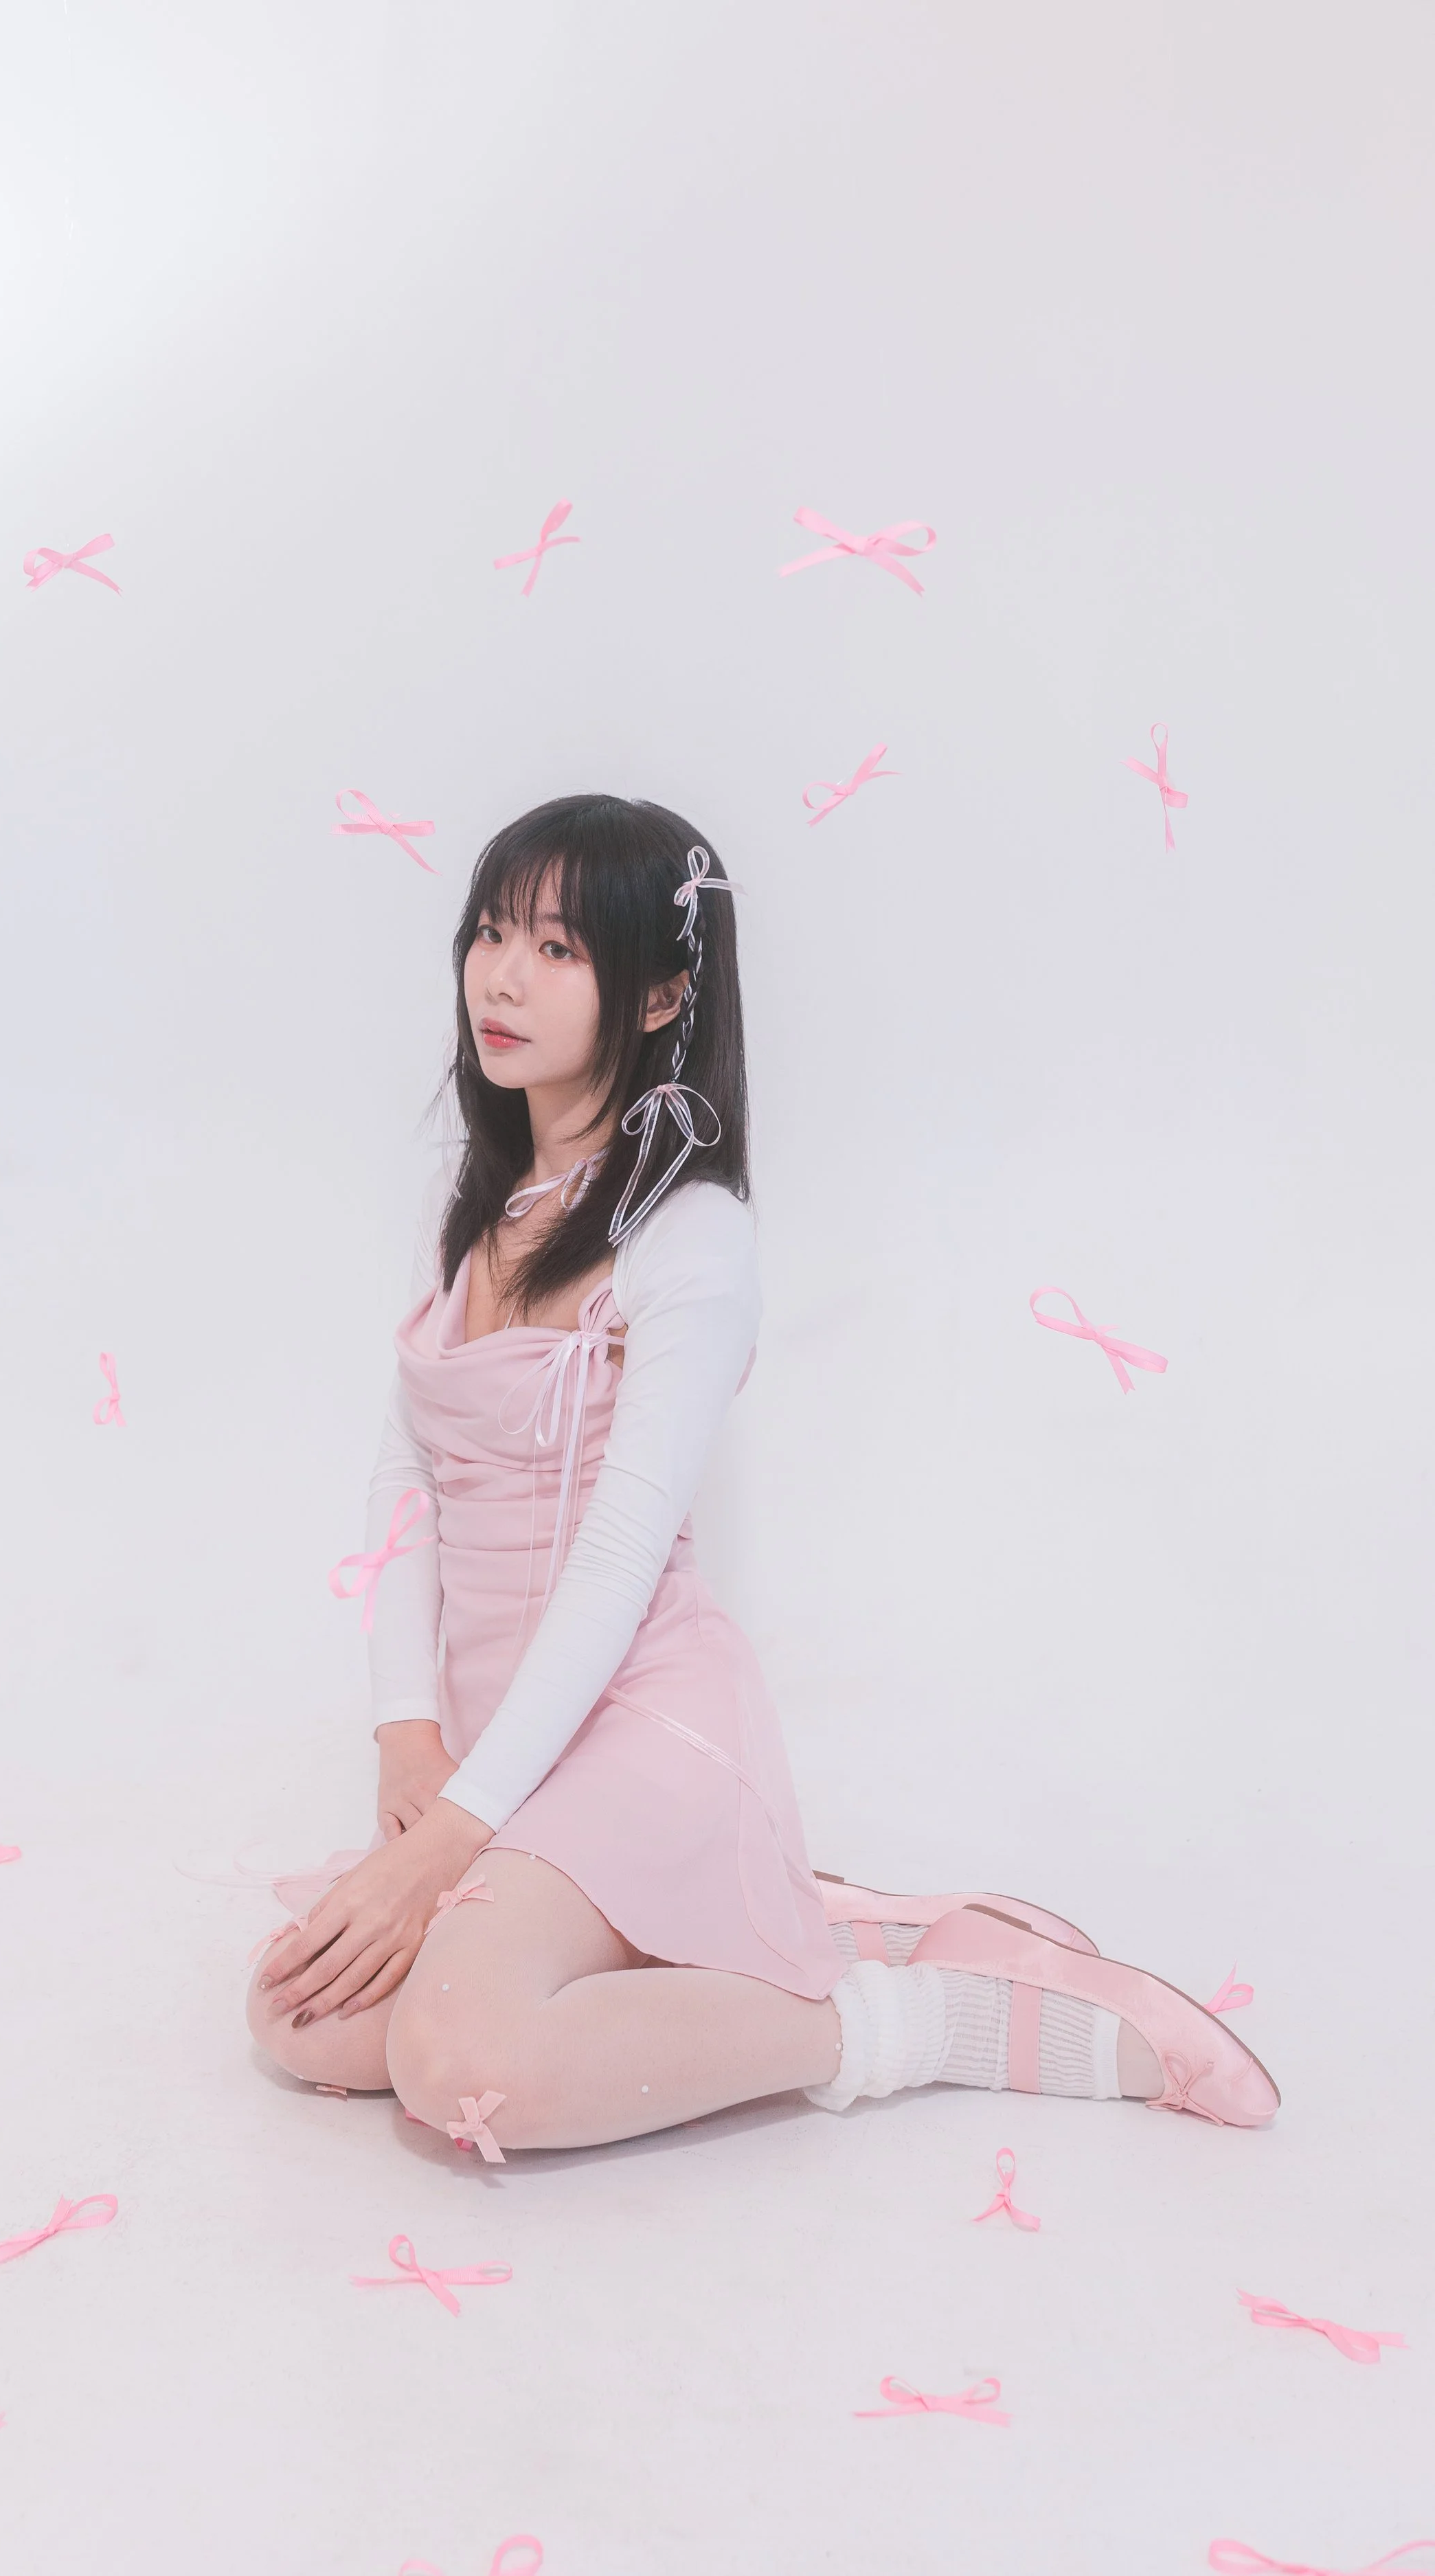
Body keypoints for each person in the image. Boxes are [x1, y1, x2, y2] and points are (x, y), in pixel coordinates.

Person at [247, 794, 1278, 2151]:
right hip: (494, 1748)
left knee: (459, 2059)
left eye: (556, 949)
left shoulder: (688, 1234)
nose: (499, 977)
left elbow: (620, 1556)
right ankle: (797, 1918)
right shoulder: (477, 1211)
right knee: (300, 2017)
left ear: (661, 991)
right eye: (490, 933)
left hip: (632, 1727)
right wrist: (406, 1729)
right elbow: (409, 1480)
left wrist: (451, 1834)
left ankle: (905, 2019)